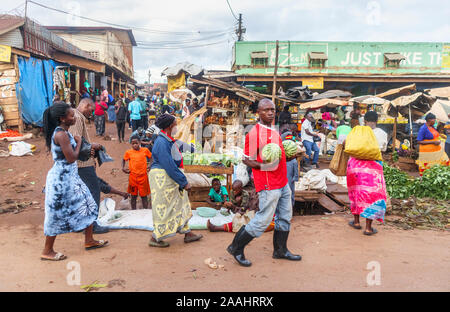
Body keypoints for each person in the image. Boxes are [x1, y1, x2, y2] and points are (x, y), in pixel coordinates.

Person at [227, 98, 301, 267]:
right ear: (258, 113)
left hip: (283, 182)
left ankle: (280, 250)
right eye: (266, 110)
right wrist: (266, 166)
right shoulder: (254, 133)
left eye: (272, 109)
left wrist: (289, 156)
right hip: (269, 184)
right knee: (262, 220)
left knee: (285, 217)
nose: (270, 112)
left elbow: (278, 155)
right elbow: (247, 160)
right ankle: (236, 247)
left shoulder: (274, 131)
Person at [41, 103, 108, 261]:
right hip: (61, 180)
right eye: (72, 116)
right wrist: (78, 142)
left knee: (89, 204)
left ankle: (89, 240)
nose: (74, 117)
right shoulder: (61, 135)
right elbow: (71, 158)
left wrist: (86, 147)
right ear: (62, 118)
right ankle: (47, 250)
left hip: (70, 177)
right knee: (56, 214)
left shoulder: (64, 132)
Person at [69, 98, 128, 235]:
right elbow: (76, 140)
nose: (92, 113)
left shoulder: (77, 117)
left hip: (82, 161)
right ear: (86, 105)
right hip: (81, 164)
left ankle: (82, 223)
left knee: (84, 192)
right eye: (92, 110)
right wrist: (91, 147)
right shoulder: (77, 117)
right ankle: (91, 225)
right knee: (93, 191)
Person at [148, 114, 203, 247]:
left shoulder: (168, 140)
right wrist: (183, 182)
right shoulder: (161, 142)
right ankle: (155, 238)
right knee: (164, 207)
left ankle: (187, 233)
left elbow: (180, 147)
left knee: (181, 204)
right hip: (162, 178)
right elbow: (169, 165)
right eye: (175, 124)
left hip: (170, 178)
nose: (177, 127)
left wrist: (194, 150)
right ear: (169, 127)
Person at [346, 111, 387, 236]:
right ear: (377, 120)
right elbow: (383, 149)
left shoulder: (357, 131)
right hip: (373, 167)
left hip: (354, 166)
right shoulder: (382, 133)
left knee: (355, 192)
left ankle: (356, 222)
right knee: (373, 196)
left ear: (364, 121)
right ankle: (368, 228)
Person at [207, 181, 275, 233]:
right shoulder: (254, 192)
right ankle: (216, 228)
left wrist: (246, 211)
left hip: (265, 218)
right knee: (239, 219)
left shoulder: (267, 194)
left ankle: (216, 228)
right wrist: (242, 210)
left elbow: (263, 209)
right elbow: (247, 205)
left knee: (242, 223)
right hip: (253, 213)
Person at [122, 135, 152, 210]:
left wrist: (150, 165)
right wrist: (123, 168)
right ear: (131, 144)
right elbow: (123, 159)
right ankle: (133, 212)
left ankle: (145, 212)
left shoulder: (145, 150)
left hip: (143, 178)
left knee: (144, 197)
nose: (134, 145)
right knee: (133, 196)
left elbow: (151, 157)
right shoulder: (128, 152)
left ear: (139, 142)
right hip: (133, 179)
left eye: (136, 143)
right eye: (133, 143)